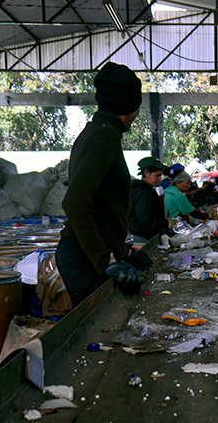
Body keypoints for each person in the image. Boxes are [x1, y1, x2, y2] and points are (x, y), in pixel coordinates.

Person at [56, 62, 151, 307]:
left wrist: (125, 252)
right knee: (97, 335)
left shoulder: (97, 131)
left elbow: (103, 205)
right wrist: (107, 262)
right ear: (132, 106)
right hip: (84, 257)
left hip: (84, 255)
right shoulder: (105, 137)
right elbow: (75, 202)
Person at [128, 156, 174, 244]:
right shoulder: (143, 193)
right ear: (146, 172)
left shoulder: (142, 190)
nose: (160, 179)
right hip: (142, 239)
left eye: (160, 176)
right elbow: (146, 222)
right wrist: (165, 223)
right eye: (157, 175)